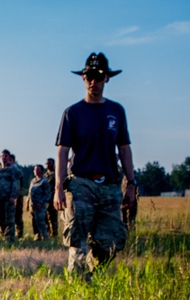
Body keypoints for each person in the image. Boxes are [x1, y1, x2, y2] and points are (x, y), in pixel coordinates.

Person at [54, 52, 136, 278]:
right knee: (77, 240)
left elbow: (124, 148)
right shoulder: (72, 113)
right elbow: (62, 151)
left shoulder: (116, 112)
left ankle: (95, 277)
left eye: (99, 76)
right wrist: (58, 188)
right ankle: (78, 288)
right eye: (89, 76)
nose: (94, 81)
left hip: (109, 186)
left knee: (109, 243)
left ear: (107, 78)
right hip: (81, 184)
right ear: (83, 77)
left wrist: (131, 183)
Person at [0, 150, 21, 242]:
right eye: (2, 156)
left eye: (6, 156)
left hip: (8, 198)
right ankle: (4, 236)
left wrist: (13, 196)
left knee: (10, 219)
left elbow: (15, 183)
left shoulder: (13, 169)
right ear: (0, 157)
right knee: (0, 219)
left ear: (9, 157)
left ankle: (10, 239)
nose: (4, 157)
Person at [27, 164, 52, 239]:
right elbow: (29, 192)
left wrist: (41, 203)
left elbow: (48, 194)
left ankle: (44, 236)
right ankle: (37, 236)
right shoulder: (33, 181)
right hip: (32, 205)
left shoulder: (44, 181)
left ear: (42, 171)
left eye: (38, 169)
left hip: (40, 205)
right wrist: (27, 203)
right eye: (35, 169)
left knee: (41, 221)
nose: (36, 171)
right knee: (34, 221)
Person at [45, 157, 58, 236]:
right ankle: (48, 232)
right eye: (47, 163)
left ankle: (54, 233)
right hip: (45, 199)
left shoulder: (56, 174)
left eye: (49, 163)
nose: (48, 165)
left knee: (53, 217)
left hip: (53, 198)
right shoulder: (45, 175)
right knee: (45, 217)